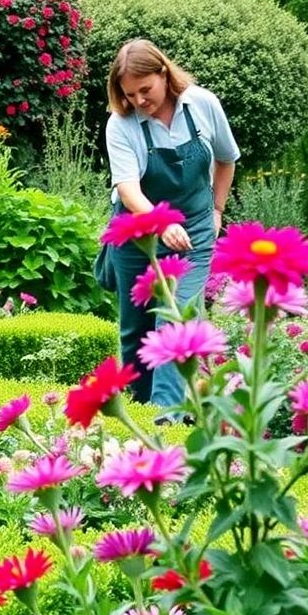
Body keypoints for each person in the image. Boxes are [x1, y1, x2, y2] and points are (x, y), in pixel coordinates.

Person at [103, 38, 238, 417]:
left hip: (193, 231)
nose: (139, 101)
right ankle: (136, 415)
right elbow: (128, 189)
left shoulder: (203, 104)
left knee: (174, 319)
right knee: (136, 332)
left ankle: (167, 420)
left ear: (164, 73)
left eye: (145, 89)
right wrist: (160, 224)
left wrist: (216, 209)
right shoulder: (121, 124)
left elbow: (227, 160)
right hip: (136, 235)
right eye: (130, 95)